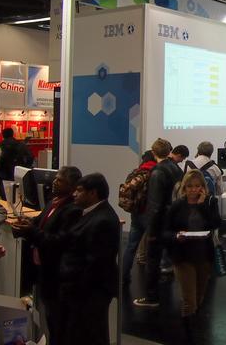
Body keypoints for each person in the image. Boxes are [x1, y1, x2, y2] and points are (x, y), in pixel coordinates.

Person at [11, 166, 83, 345]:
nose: (54, 182)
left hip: (57, 274)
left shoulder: (73, 210)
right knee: (50, 319)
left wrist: (31, 230)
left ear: (72, 186)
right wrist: (26, 223)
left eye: (60, 180)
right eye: (56, 178)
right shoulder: (53, 202)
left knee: (58, 323)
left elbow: (58, 241)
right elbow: (39, 222)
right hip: (43, 270)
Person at [58, 173, 120, 345]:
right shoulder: (87, 214)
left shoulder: (103, 220)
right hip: (80, 291)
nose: (74, 194)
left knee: (90, 335)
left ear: (93, 193)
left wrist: (74, 286)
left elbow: (96, 263)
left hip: (89, 293)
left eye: (79, 191)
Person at [164, 169, 221, 340]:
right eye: (189, 186)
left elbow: (215, 223)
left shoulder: (210, 202)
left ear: (203, 187)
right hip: (183, 256)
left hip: (204, 255)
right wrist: (176, 236)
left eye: (197, 186)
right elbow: (165, 231)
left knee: (199, 296)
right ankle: (189, 335)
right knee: (189, 300)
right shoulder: (177, 206)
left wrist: (203, 205)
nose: (193, 190)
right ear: (184, 187)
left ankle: (195, 328)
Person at [134, 138, 184, 308]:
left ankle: (151, 297)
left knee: (153, 260)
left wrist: (152, 231)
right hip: (173, 221)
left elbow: (155, 204)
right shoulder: (176, 168)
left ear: (153, 152)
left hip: (161, 223)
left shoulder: (157, 172)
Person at [120, 150, 157, 285]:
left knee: (131, 246)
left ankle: (123, 275)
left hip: (136, 213)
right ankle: (151, 282)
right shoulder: (155, 172)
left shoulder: (135, 172)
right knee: (153, 248)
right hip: (149, 214)